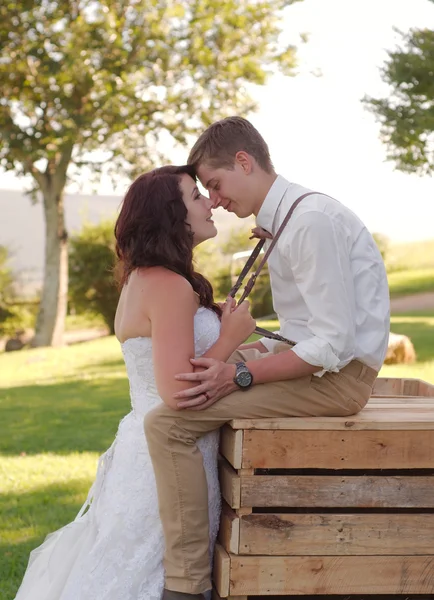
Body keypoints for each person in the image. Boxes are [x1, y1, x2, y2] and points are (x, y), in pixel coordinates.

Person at [144, 117, 391, 600]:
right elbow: (304, 333)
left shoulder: (309, 221)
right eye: (205, 192)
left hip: (340, 380)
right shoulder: (290, 220)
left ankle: (185, 588)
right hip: (323, 367)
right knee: (189, 377)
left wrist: (237, 373)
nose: (213, 199)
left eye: (215, 184)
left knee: (166, 424)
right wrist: (238, 352)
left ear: (244, 162)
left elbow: (330, 346)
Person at [13, 165, 256, 600]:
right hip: (166, 460)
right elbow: (179, 393)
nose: (209, 203)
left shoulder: (144, 280)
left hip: (143, 452)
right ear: (170, 215)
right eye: (196, 196)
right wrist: (230, 337)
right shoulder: (168, 286)